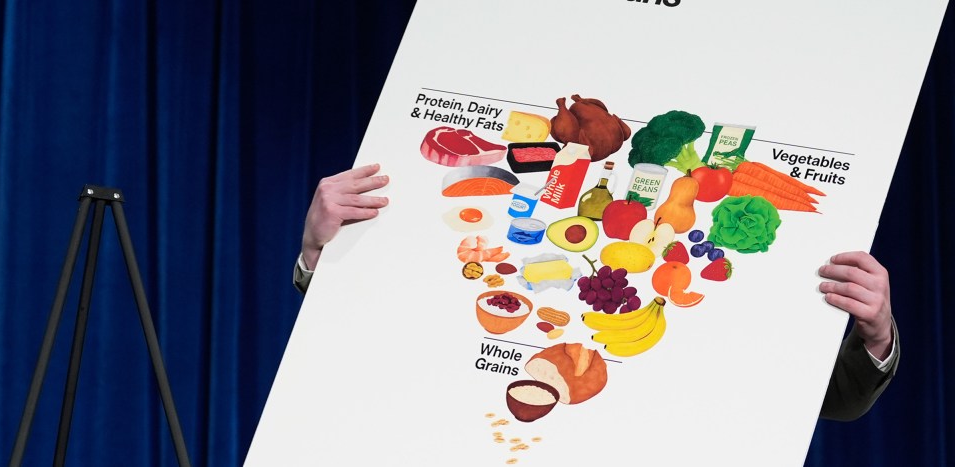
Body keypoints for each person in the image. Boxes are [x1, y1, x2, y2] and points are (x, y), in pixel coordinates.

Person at [293, 164, 898, 421]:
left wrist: (875, 335)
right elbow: (382, 337)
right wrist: (323, 256)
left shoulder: (715, 299)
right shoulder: (518, 286)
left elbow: (838, 403)